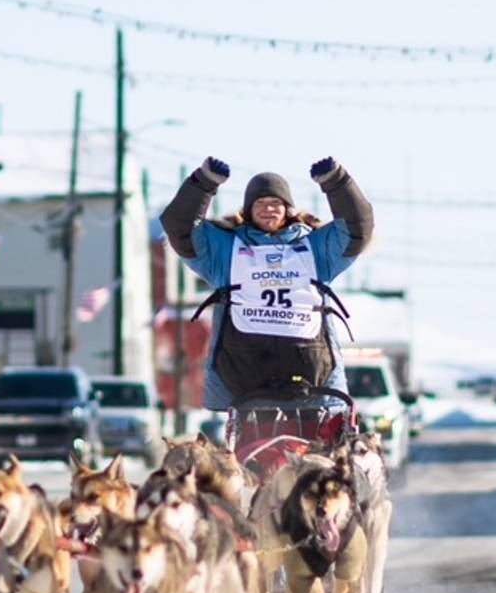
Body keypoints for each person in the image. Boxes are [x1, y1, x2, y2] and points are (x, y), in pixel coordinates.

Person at [160, 156, 374, 416]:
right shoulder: (226, 250)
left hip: (312, 374)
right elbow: (180, 228)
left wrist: (336, 183)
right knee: (250, 443)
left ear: (288, 209)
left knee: (318, 442)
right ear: (248, 210)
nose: (268, 209)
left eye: (276, 203)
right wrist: (203, 183)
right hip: (244, 375)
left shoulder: (317, 249)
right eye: (260, 203)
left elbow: (356, 229)